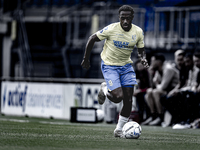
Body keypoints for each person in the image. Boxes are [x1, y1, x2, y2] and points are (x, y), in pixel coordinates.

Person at [81, 5, 149, 137]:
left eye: (127, 18)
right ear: (119, 17)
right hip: (110, 65)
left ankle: (118, 130)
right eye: (122, 18)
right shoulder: (111, 29)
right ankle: (105, 88)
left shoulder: (138, 32)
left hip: (126, 67)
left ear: (132, 18)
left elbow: (141, 49)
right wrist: (86, 58)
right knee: (118, 97)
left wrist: (143, 58)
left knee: (128, 100)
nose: (125, 21)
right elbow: (92, 38)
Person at [141, 53, 179, 126]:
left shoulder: (168, 68)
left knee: (155, 92)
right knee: (149, 92)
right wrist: (151, 74)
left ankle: (160, 117)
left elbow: (162, 87)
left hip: (173, 90)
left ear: (159, 62)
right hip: (165, 90)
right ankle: (153, 116)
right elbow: (152, 86)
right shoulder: (158, 70)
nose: (151, 63)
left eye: (153, 61)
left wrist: (156, 83)